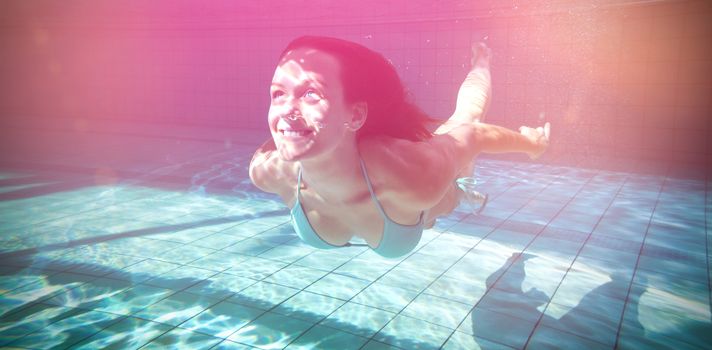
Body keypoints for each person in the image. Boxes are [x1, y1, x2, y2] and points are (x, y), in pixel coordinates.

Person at [249, 36, 550, 259]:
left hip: (426, 198)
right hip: (395, 199)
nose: (286, 110)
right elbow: (285, 129)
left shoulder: (410, 175)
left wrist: (532, 144)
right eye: (278, 94)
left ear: (355, 114)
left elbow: (474, 135)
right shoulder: (269, 172)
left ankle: (482, 63)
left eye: (311, 94)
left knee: (465, 117)